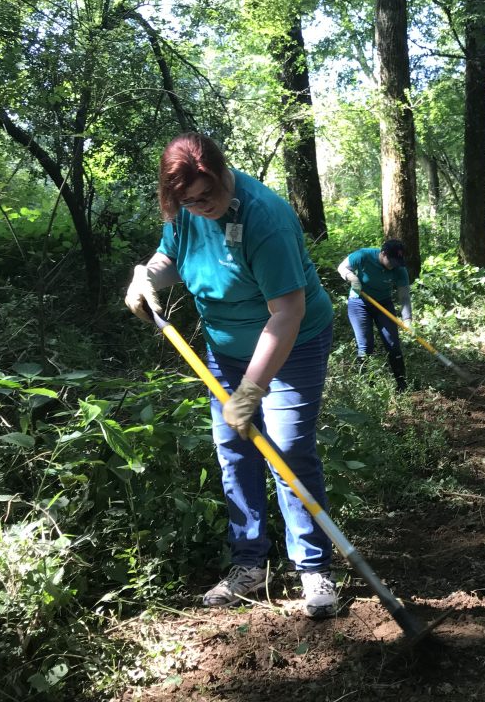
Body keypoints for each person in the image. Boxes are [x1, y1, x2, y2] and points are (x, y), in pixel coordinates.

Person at [124, 133, 338, 616]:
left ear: (223, 173)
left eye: (208, 195)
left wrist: (251, 390)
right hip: (224, 348)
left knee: (287, 449)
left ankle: (313, 567)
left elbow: (287, 313)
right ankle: (249, 564)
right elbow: (171, 257)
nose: (201, 207)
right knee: (234, 450)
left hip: (294, 343)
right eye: (188, 201)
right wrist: (146, 276)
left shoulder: (265, 218)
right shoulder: (185, 211)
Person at [337, 240, 412, 391]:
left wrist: (407, 319)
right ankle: (367, 387)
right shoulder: (363, 256)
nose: (394, 265)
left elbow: (404, 296)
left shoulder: (399, 269)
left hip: (383, 304)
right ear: (383, 254)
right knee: (365, 346)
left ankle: (402, 385)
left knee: (393, 344)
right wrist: (352, 278)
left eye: (397, 262)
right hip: (359, 303)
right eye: (391, 261)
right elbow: (341, 267)